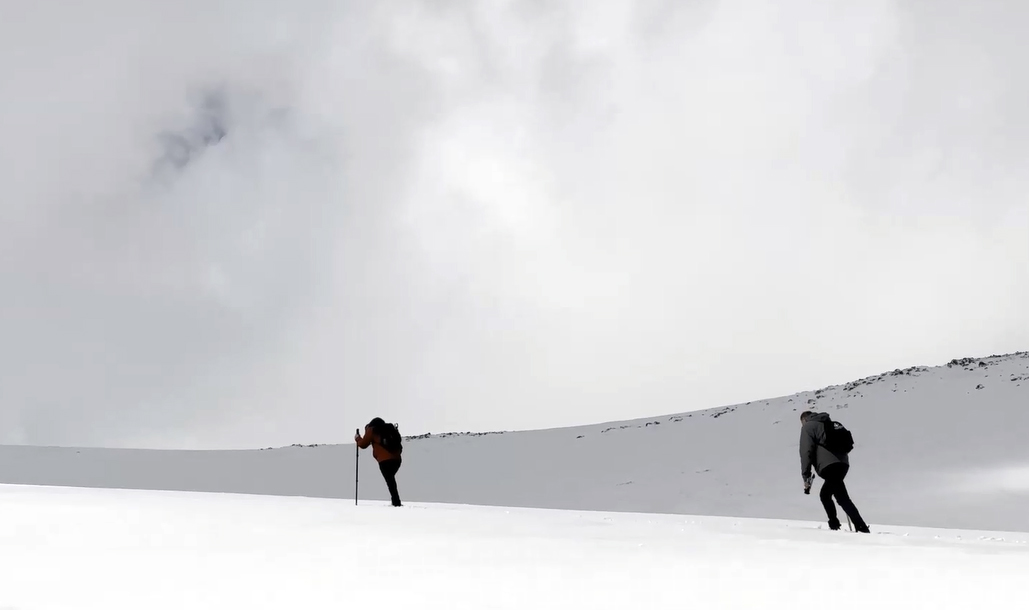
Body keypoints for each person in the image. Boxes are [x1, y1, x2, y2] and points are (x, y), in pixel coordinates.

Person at [799, 411, 870, 533]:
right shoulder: (829, 424)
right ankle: (853, 526)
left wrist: (806, 475)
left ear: (804, 420)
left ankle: (855, 527)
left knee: (833, 497)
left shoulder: (809, 426)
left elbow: (806, 452)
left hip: (829, 466)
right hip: (843, 464)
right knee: (835, 496)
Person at [355, 417, 403, 507]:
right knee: (391, 480)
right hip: (397, 459)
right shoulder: (389, 429)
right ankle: (396, 501)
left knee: (390, 481)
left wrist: (358, 438)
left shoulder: (372, 429)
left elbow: (363, 444)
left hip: (384, 460)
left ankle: (396, 503)